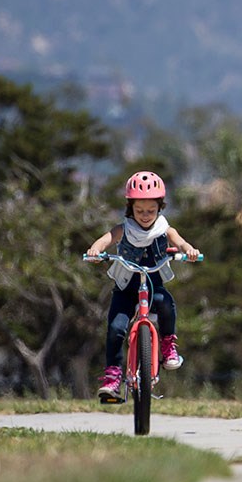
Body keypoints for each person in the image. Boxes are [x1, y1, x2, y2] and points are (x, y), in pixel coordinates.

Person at [87, 171, 201, 401]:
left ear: (160, 207)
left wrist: (188, 250)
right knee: (116, 328)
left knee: (166, 303)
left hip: (153, 288)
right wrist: (95, 250)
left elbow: (179, 241)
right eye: (140, 211)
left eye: (151, 210)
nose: (145, 215)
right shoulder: (125, 229)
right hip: (126, 290)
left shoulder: (164, 229)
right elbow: (106, 239)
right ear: (131, 209)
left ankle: (168, 346)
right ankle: (113, 376)